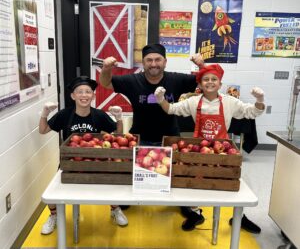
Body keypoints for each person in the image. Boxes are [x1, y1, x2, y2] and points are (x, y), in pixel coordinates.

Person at [99, 43, 206, 230]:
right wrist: (106, 68)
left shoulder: (176, 79)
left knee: (176, 178)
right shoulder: (133, 81)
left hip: (170, 138)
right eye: (149, 60)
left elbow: (205, 80)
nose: (153, 64)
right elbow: (105, 83)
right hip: (140, 139)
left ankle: (188, 208)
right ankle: (124, 203)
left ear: (165, 62)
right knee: (136, 181)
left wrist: (202, 66)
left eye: (157, 60)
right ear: (143, 63)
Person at [154, 63, 265, 233]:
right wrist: (161, 99)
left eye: (214, 79)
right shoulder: (193, 102)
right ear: (199, 84)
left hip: (223, 152)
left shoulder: (230, 102)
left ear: (220, 83)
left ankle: (238, 217)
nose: (210, 82)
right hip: (200, 151)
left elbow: (251, 112)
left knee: (231, 183)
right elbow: (171, 109)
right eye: (205, 79)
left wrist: (259, 101)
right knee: (195, 182)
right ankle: (195, 213)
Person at [39, 76, 128, 235]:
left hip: (95, 161)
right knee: (51, 193)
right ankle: (54, 216)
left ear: (93, 96)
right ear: (73, 96)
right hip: (69, 164)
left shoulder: (99, 115)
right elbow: (43, 130)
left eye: (88, 92)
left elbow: (118, 134)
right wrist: (44, 113)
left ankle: (115, 209)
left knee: (113, 187)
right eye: (80, 92)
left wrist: (119, 118)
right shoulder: (64, 115)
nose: (84, 95)